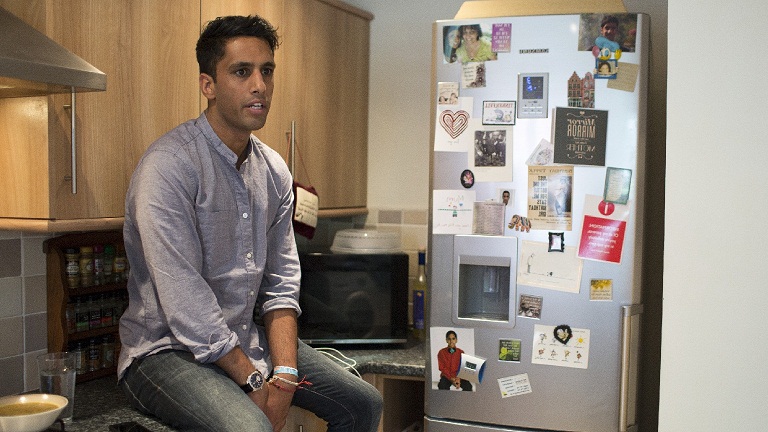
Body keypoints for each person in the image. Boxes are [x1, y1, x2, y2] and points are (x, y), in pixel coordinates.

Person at [117, 15, 382, 432]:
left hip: (244, 337)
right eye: (242, 72)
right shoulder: (168, 168)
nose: (259, 85)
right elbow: (186, 302)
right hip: (164, 354)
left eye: (267, 71)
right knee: (252, 428)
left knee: (363, 403)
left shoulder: (274, 171)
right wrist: (257, 383)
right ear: (208, 85)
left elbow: (281, 285)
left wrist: (287, 377)